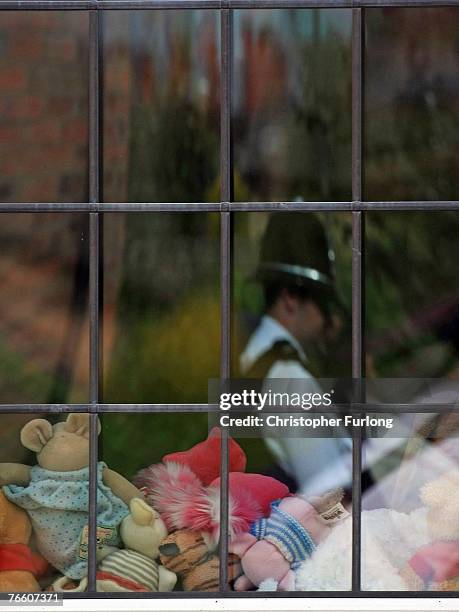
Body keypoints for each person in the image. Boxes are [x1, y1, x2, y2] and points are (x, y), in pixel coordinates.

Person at [239, 212, 352, 496]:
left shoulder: (251, 357)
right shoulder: (291, 378)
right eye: (322, 300)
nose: (332, 319)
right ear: (290, 298)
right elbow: (330, 498)